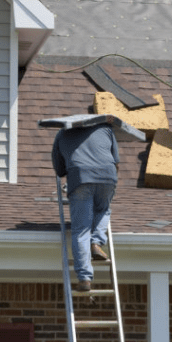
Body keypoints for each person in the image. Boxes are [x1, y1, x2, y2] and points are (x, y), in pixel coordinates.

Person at [51, 123, 120, 292]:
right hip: (107, 175)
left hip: (80, 176)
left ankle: (84, 278)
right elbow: (116, 162)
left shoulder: (62, 133)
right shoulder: (105, 129)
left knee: (81, 230)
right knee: (103, 209)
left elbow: (60, 170)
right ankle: (96, 243)